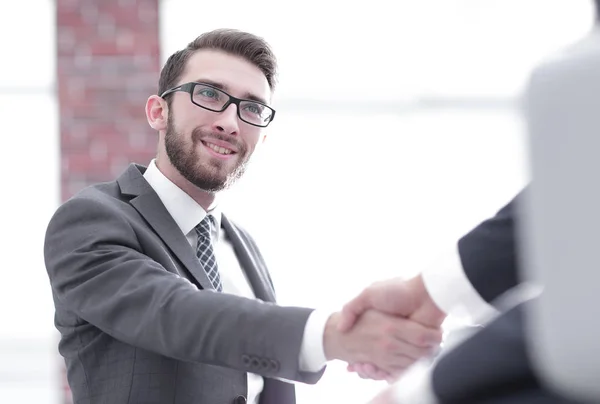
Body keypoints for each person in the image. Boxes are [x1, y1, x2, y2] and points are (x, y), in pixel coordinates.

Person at [43, 28, 443, 404]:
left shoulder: (241, 245)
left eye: (251, 108)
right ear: (158, 112)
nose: (229, 123)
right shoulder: (91, 221)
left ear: (262, 136)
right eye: (210, 95)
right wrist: (336, 335)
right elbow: (178, 314)